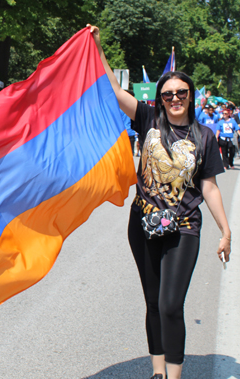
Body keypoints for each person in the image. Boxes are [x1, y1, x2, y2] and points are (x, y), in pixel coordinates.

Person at [90, 25, 231, 379]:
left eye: (180, 93)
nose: (174, 99)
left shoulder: (205, 136)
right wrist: (97, 47)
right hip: (143, 223)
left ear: (190, 95)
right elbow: (113, 88)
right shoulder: (148, 119)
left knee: (171, 305)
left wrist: (225, 231)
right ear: (160, 99)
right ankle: (157, 371)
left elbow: (210, 187)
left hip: (184, 228)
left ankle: (175, 374)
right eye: (167, 94)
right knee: (153, 303)